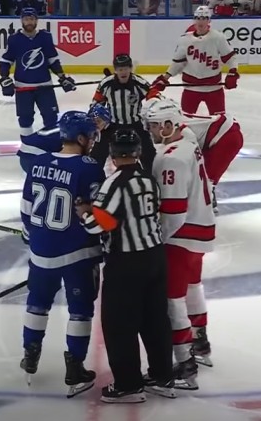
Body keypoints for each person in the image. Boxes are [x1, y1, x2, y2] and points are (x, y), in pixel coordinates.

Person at [76, 130, 175, 403]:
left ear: (112, 154)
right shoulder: (148, 180)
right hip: (155, 256)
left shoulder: (113, 184)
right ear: (138, 152)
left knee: (119, 324)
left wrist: (85, 213)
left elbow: (103, 224)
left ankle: (129, 385)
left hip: (127, 262)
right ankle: (162, 376)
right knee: (155, 319)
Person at [18, 111, 105, 398]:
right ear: (80, 138)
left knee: (37, 303)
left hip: (41, 252)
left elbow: (26, 207)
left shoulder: (39, 162)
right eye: (90, 137)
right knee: (80, 310)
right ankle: (75, 368)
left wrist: (32, 235)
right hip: (78, 253)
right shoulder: (89, 167)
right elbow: (95, 213)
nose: (93, 141)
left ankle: (30, 354)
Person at [145, 98, 216, 388]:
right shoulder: (187, 142)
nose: (149, 130)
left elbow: (173, 212)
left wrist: (154, 240)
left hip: (181, 235)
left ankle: (185, 364)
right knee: (192, 286)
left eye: (152, 125)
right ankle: (201, 343)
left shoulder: (169, 159)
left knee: (172, 298)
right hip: (202, 226)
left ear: (167, 126)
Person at [0, 7, 77, 172]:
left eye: (32, 19)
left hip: (45, 87)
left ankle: (54, 152)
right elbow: (5, 61)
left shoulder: (45, 37)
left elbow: (52, 59)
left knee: (51, 119)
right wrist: (5, 78)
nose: (29, 22)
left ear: (36, 20)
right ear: (22, 21)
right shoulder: (14, 39)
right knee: (25, 120)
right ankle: (28, 154)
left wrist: (62, 77)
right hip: (23, 88)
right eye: (26, 19)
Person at [152, 6, 240, 115]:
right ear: (194, 20)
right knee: (186, 121)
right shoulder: (185, 40)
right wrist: (165, 78)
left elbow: (230, 57)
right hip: (191, 88)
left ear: (209, 20)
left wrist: (233, 72)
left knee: (220, 121)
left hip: (213, 88)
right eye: (198, 18)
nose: (201, 21)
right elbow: (178, 62)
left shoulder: (218, 37)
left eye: (204, 18)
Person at [90, 54, 158, 171]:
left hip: (135, 123)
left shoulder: (139, 83)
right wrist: (98, 117)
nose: (123, 72)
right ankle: (94, 178)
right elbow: (95, 104)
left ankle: (150, 177)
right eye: (120, 69)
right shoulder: (106, 84)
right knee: (97, 154)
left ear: (131, 68)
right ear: (115, 70)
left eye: (126, 68)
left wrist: (153, 104)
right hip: (111, 124)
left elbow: (154, 98)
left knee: (149, 153)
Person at [177, 105, 244, 214]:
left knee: (205, 179)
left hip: (226, 137)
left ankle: (205, 204)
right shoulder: (169, 120)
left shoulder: (179, 129)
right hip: (221, 132)